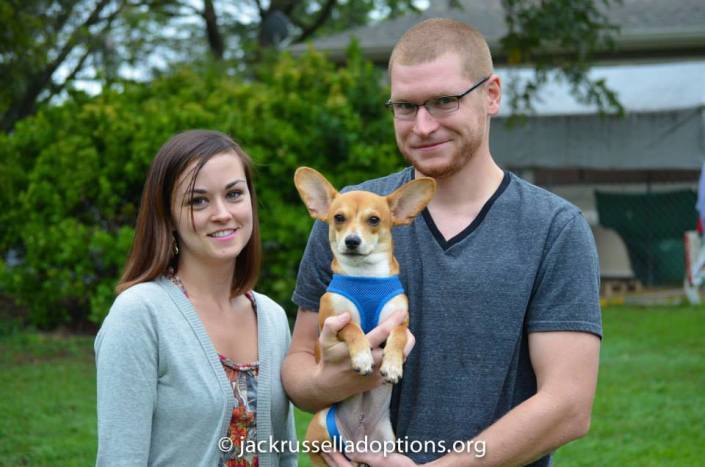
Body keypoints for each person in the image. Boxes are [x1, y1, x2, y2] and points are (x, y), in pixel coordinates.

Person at [282, 18, 601, 467]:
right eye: (405, 107)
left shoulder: (553, 229)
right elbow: (298, 367)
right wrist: (330, 385)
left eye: (444, 102)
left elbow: (568, 405)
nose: (423, 125)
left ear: (491, 94)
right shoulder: (348, 217)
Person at [95, 130, 296, 466]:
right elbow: (120, 458)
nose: (222, 213)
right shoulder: (140, 315)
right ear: (168, 217)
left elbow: (285, 453)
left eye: (234, 194)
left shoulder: (272, 318)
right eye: (197, 201)